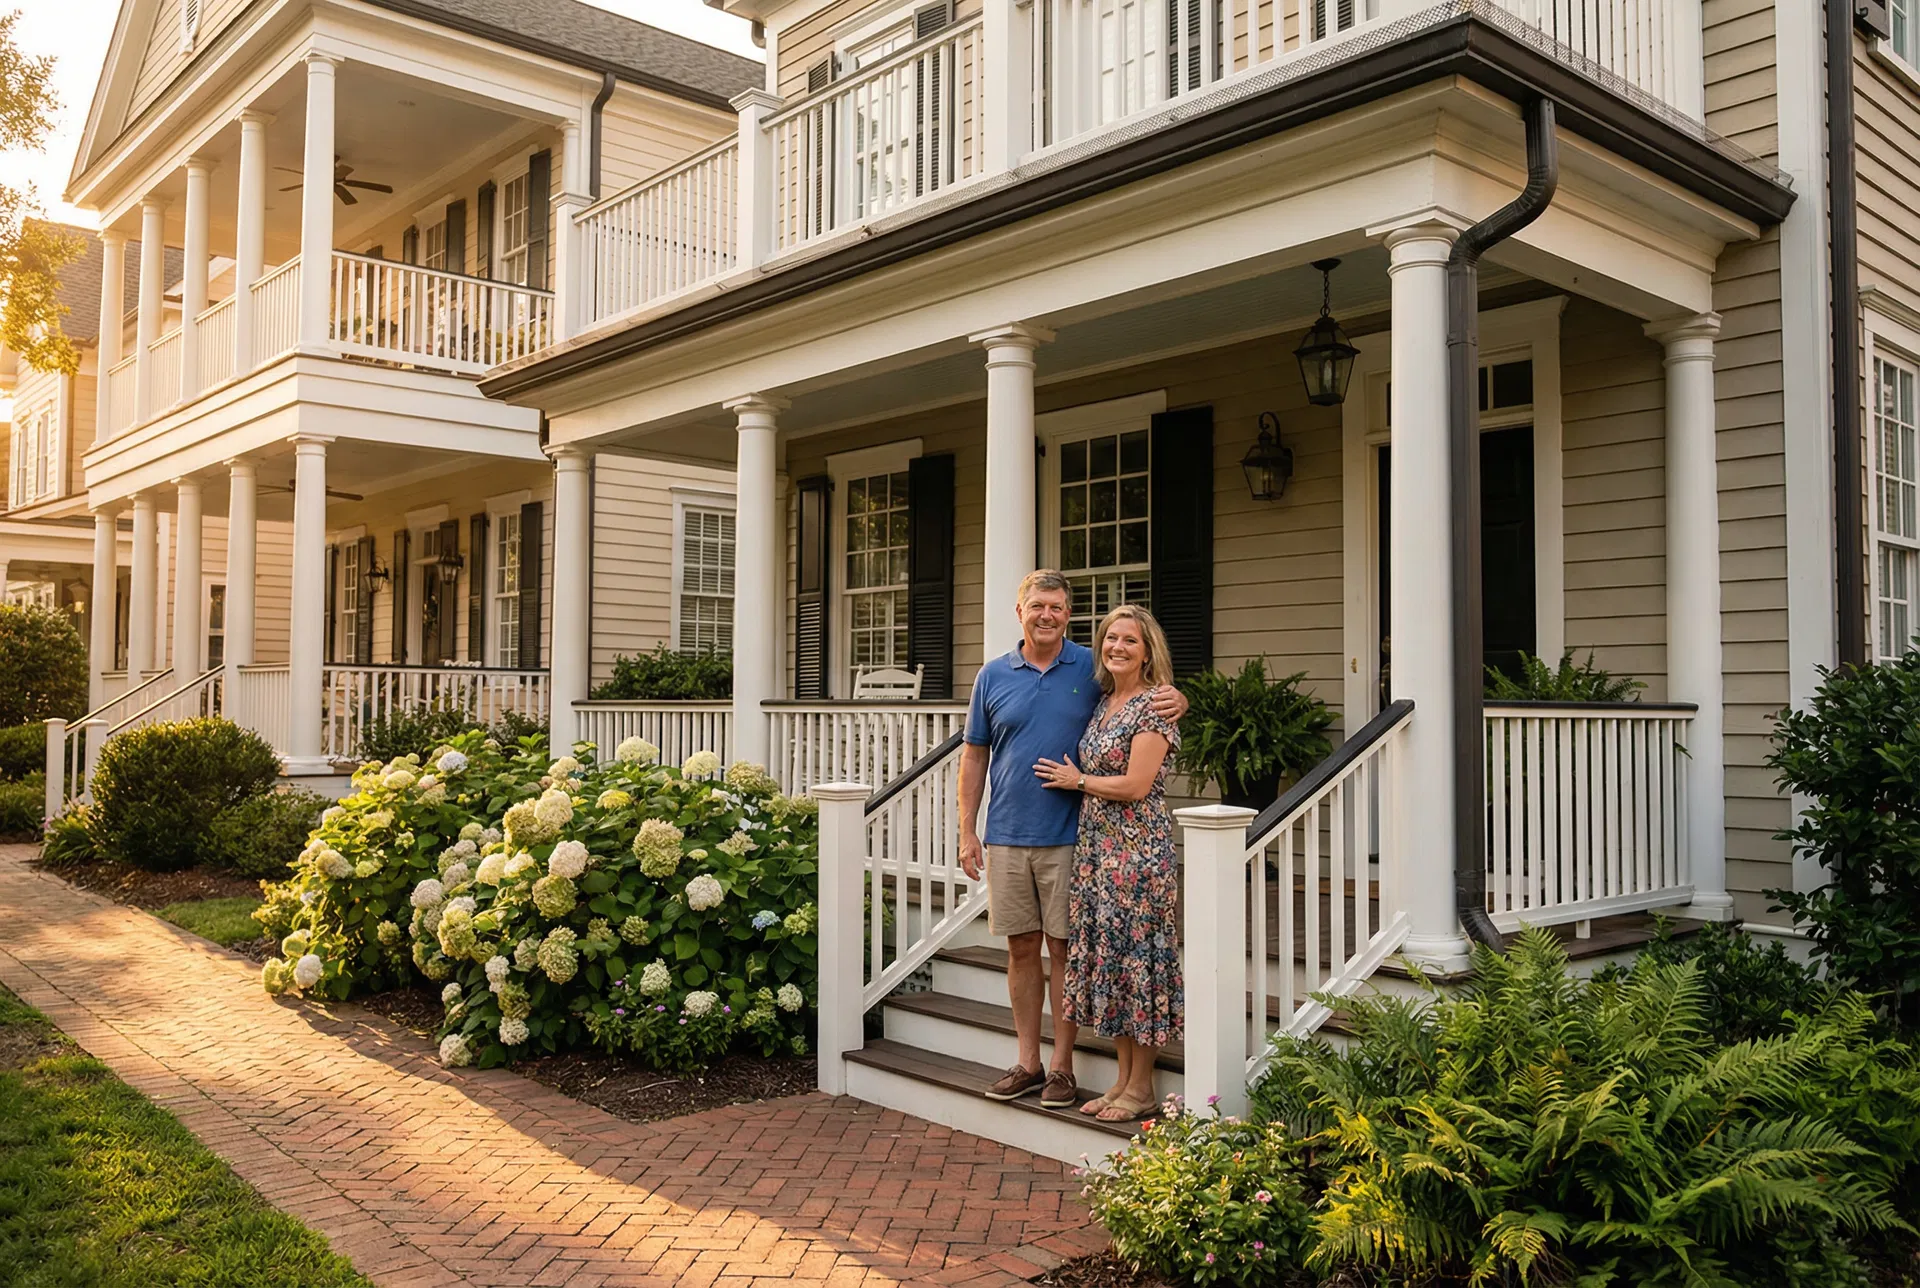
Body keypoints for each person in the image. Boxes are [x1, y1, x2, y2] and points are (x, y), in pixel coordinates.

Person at [958, 570, 1186, 1108]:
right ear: (1020, 611)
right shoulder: (992, 675)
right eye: (1038, 605)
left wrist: (1180, 698)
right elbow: (974, 755)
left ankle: (1062, 1068)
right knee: (1020, 949)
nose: (1047, 615)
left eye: (1057, 607)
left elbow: (1149, 692)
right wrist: (968, 829)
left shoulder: (1091, 666)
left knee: (1067, 950)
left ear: (1068, 614)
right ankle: (1028, 1062)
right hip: (1009, 834)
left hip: (1074, 840)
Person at [1035, 604, 1182, 1122]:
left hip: (1138, 856)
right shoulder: (1104, 703)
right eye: (1111, 638)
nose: (1118, 647)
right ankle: (1122, 1081)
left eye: (1130, 640)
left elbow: (1137, 785)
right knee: (1115, 967)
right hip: (1098, 854)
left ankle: (1142, 1087)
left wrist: (1077, 781)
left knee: (1140, 967)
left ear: (1148, 653)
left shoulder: (1153, 707)